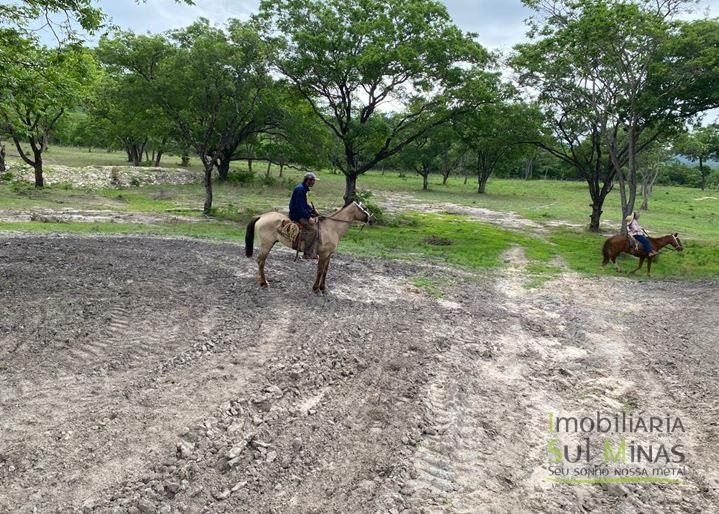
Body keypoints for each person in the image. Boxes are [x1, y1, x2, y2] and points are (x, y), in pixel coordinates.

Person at [289, 172, 319, 259]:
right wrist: (308, 217)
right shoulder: (300, 189)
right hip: (297, 215)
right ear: (309, 180)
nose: (314, 182)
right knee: (313, 230)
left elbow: (304, 204)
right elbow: (299, 206)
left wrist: (312, 211)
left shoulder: (303, 188)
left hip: (299, 212)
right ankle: (307, 254)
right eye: (313, 181)